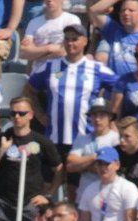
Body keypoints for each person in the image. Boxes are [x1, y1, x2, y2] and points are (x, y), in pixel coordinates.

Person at [27, 23, 119, 158]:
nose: (70, 43)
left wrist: (111, 118)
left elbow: (121, 88)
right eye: (67, 39)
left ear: (85, 41)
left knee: (80, 178)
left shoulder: (96, 68)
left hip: (86, 139)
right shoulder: (50, 66)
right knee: (53, 178)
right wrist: (40, 115)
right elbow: (29, 89)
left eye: (74, 39)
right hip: (54, 137)